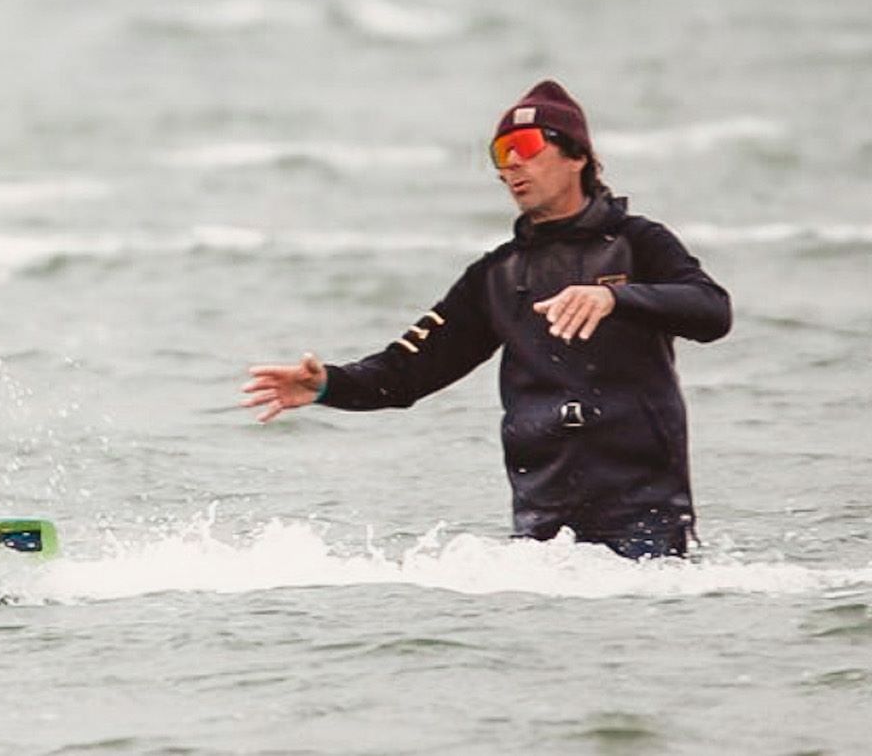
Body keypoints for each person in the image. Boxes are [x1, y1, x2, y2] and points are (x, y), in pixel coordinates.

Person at [240, 80, 731, 559]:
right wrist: (328, 385)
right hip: (544, 530)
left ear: (577, 155)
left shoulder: (638, 243)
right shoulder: (496, 276)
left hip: (645, 518)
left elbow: (711, 311)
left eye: (526, 145)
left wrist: (618, 300)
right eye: (501, 152)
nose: (512, 163)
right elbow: (405, 374)